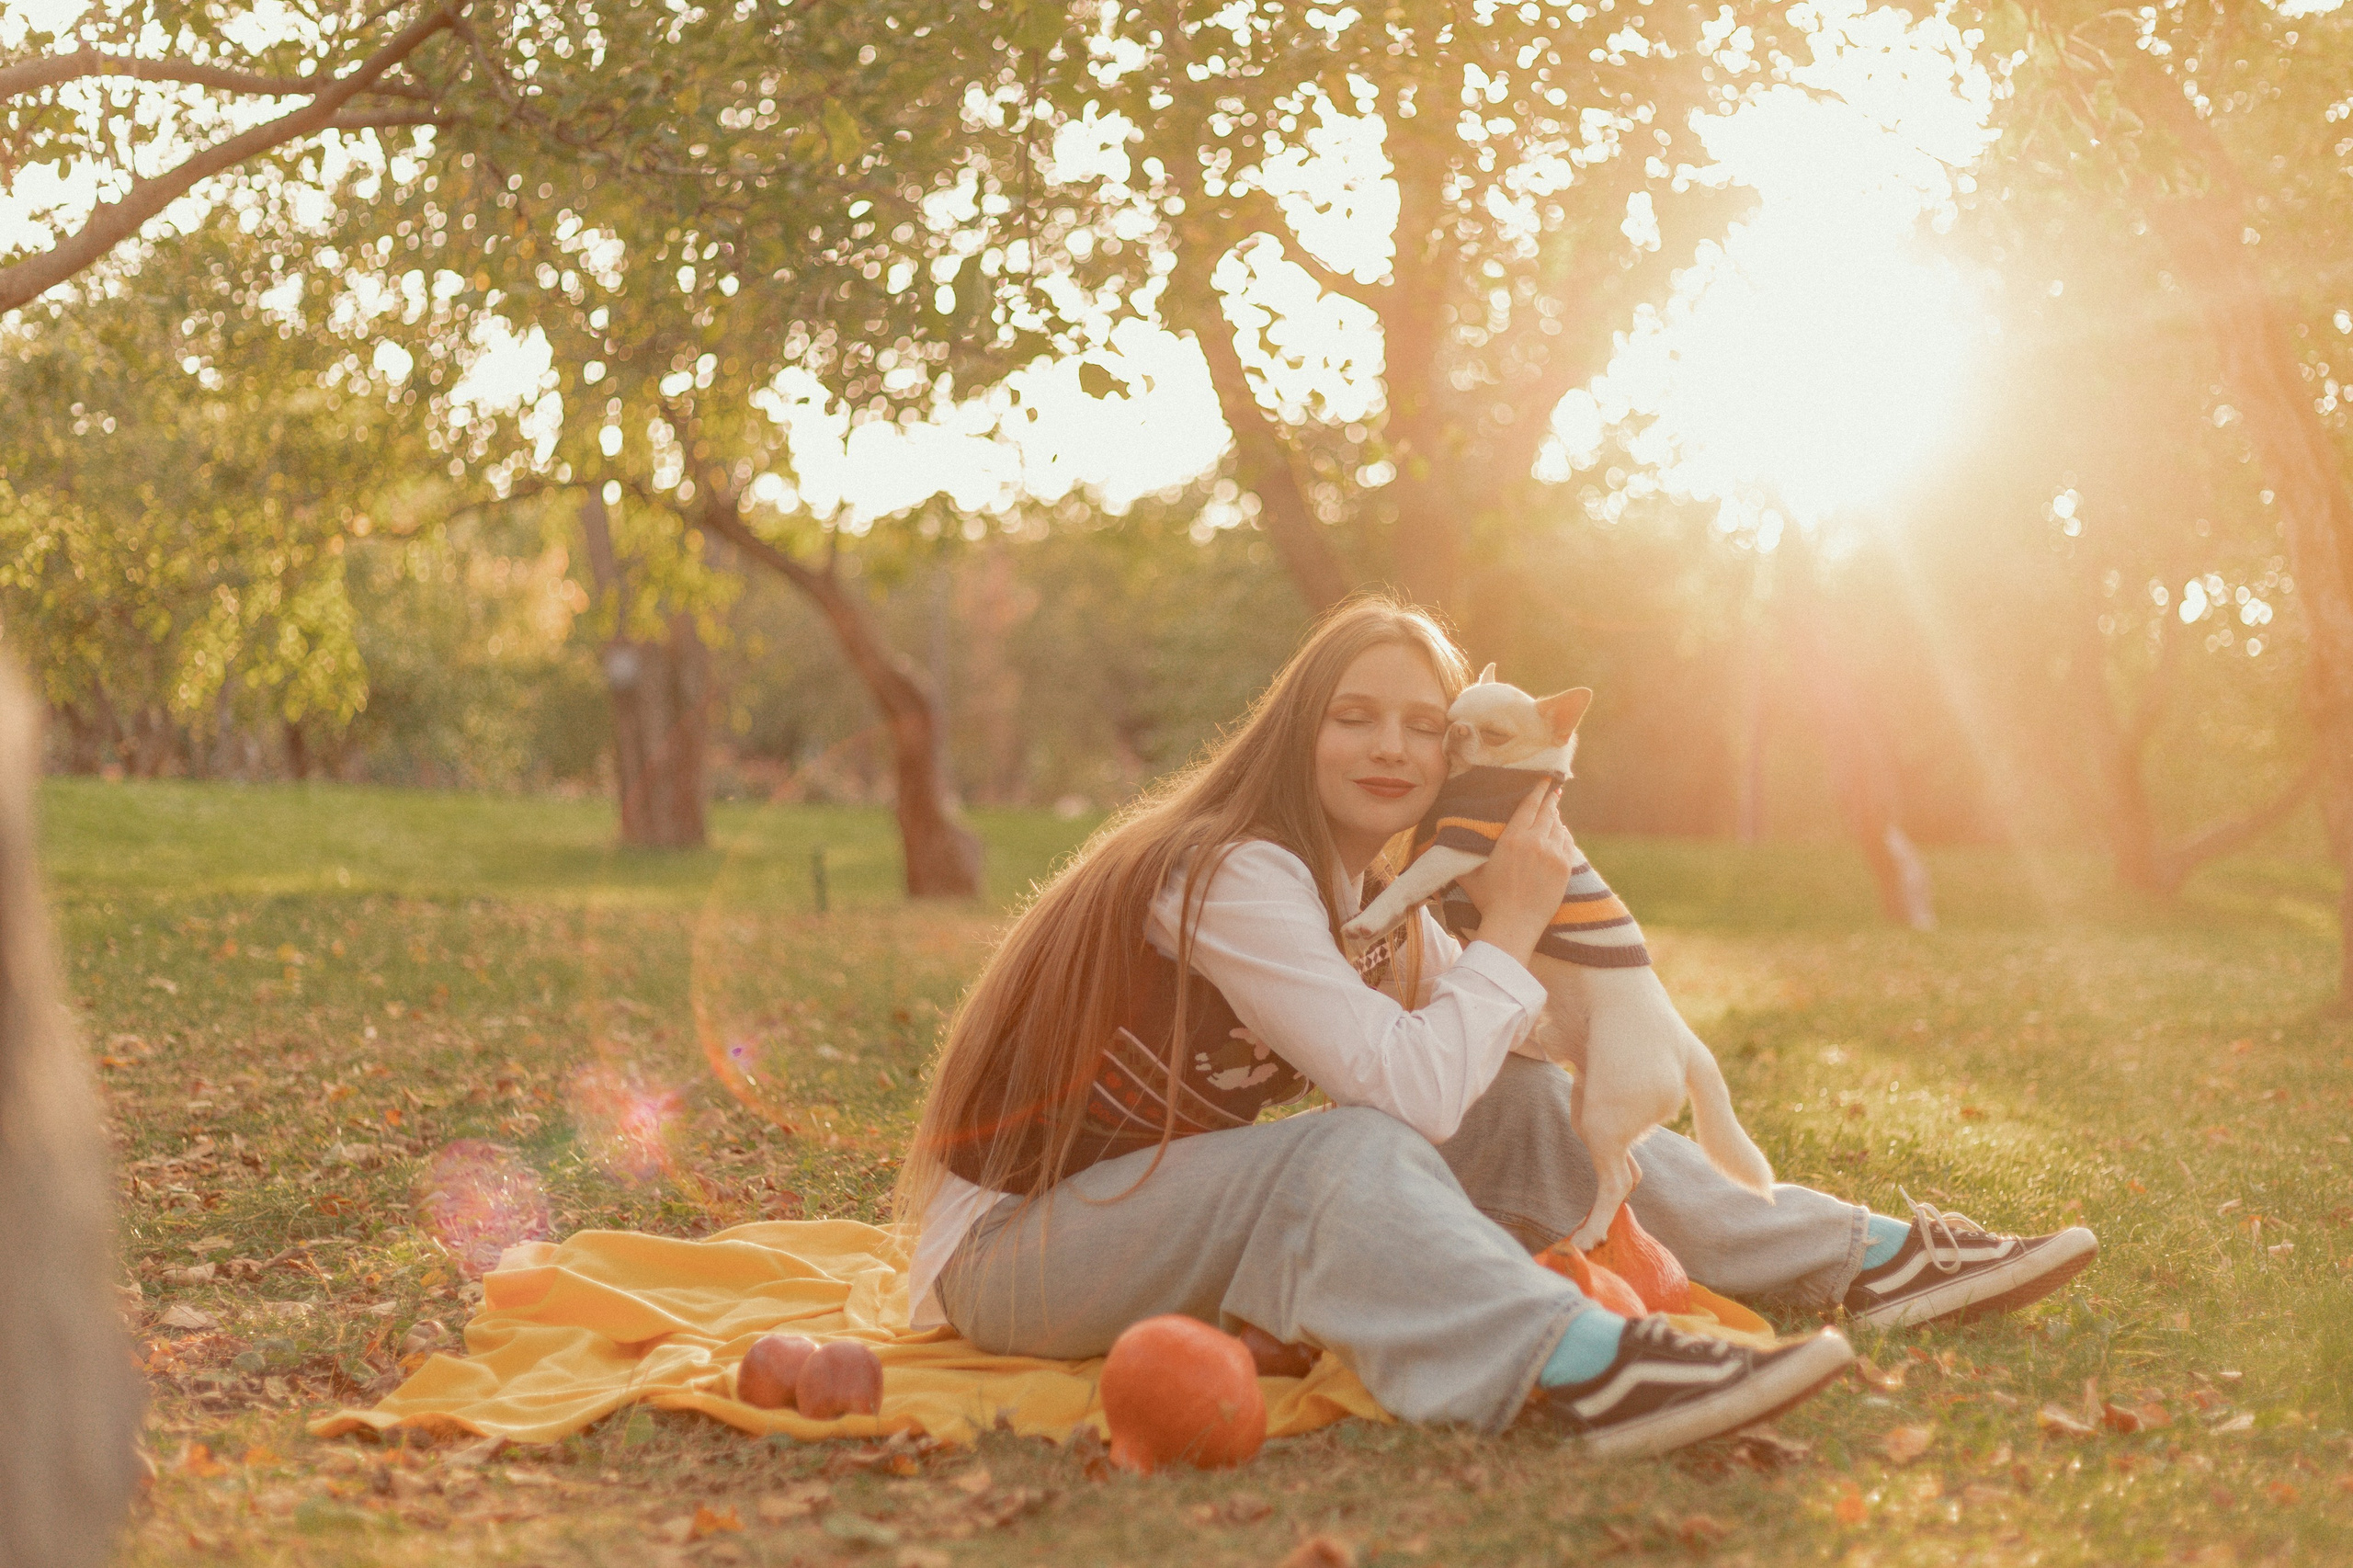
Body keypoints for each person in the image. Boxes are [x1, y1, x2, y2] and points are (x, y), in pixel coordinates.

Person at [893, 597, 2097, 1458]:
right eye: (1355, 717)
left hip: (1155, 1216)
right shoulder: (1225, 872)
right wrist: (1509, 937)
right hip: (1014, 1257)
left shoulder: (1373, 898)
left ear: (1466, 747)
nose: (1395, 748)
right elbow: (1402, 1097)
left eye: (1428, 726)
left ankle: (1868, 1259)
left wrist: (1548, 915)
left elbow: (1518, 1061)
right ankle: (1582, 1364)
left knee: (1517, 1108)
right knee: (1344, 1149)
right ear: (1295, 729)